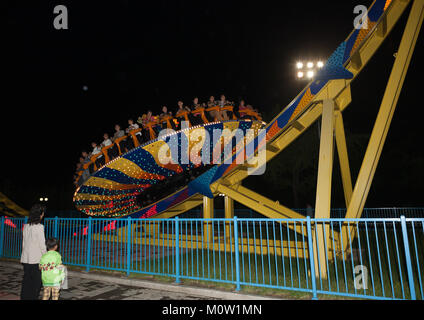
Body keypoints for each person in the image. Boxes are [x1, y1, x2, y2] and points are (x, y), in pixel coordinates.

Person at [20, 204, 47, 300]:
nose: (43, 215)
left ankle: (24, 297)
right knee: (36, 283)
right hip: (36, 259)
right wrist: (46, 256)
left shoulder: (26, 226)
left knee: (27, 281)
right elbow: (42, 244)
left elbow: (24, 242)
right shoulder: (39, 227)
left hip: (26, 258)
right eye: (42, 213)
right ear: (39, 215)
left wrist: (24, 255)